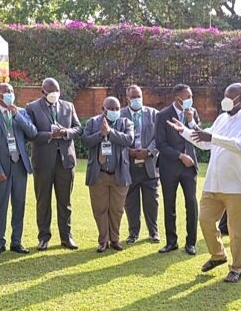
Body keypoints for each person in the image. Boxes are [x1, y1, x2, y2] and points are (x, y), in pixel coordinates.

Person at [168, 83, 241, 283]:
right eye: (225, 96)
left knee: (237, 232)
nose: (226, 101)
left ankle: (236, 268)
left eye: (231, 97)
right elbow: (204, 142)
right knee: (205, 219)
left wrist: (213, 137)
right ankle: (218, 255)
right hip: (214, 183)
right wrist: (184, 130)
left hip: (237, 186)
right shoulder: (221, 119)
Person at [26, 78, 82, 251]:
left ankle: (67, 236)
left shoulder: (68, 106)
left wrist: (65, 132)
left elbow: (78, 128)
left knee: (65, 202)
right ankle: (44, 237)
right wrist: (49, 135)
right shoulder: (32, 108)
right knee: (43, 201)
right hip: (43, 162)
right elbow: (30, 134)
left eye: (56, 91)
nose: (54, 94)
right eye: (50, 92)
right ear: (42, 92)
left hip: (65, 161)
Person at [0, 83, 38, 256]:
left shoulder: (21, 112)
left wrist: (17, 115)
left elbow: (33, 133)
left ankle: (17, 241)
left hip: (19, 165)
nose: (10, 95)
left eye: (12, 92)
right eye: (6, 92)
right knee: (1, 205)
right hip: (2, 168)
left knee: (19, 205)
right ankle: (0, 242)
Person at [82, 97, 134, 252]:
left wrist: (110, 133)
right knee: (100, 208)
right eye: (111, 108)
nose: (114, 111)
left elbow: (129, 139)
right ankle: (103, 240)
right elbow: (85, 141)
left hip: (119, 173)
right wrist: (100, 134)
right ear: (102, 109)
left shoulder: (126, 123)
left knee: (117, 209)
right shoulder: (92, 123)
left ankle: (115, 239)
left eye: (117, 108)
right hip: (99, 174)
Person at [155, 84, 200, 255]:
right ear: (177, 98)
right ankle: (171, 242)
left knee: (191, 204)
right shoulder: (163, 115)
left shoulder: (193, 112)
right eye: (187, 97)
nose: (190, 100)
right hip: (170, 167)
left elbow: (198, 136)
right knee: (169, 205)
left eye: (191, 96)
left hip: (189, 168)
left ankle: (191, 243)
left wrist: (190, 121)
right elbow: (160, 144)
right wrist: (180, 156)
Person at [121, 85, 160, 244]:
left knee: (152, 200)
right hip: (128, 164)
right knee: (131, 201)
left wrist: (149, 151)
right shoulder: (121, 114)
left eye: (139, 96)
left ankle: (154, 232)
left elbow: (160, 136)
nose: (137, 99)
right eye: (134, 97)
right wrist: (127, 150)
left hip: (149, 163)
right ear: (127, 98)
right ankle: (133, 233)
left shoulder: (153, 114)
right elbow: (114, 136)